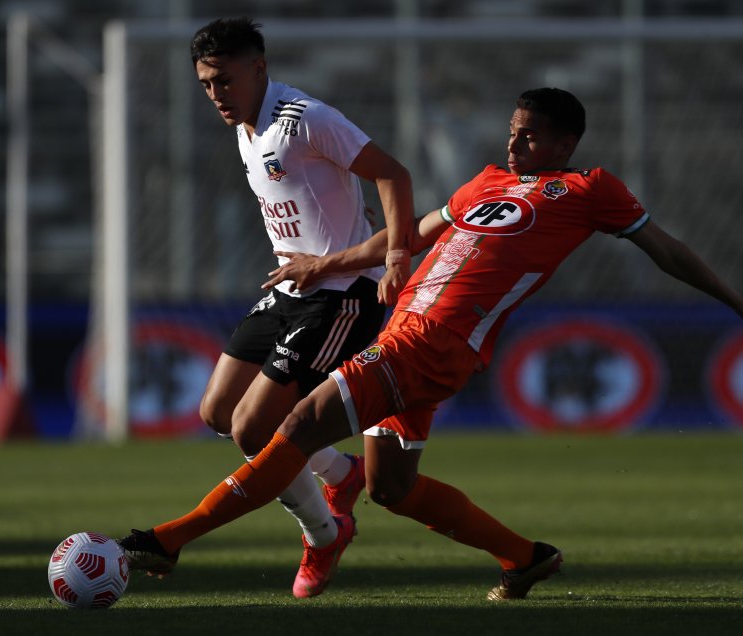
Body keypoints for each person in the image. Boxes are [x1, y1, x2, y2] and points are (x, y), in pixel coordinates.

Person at [120, 87, 743, 600]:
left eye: (528, 134)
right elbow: (411, 233)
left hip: (434, 342)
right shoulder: (487, 181)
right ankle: (524, 558)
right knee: (391, 487)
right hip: (404, 331)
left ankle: (170, 540)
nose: (513, 142)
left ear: (565, 144)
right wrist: (326, 262)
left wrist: (734, 301)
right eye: (512, 129)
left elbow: (667, 250)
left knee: (301, 423)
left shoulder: (589, 190)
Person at [183, 18, 414, 598]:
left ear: (258, 68)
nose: (215, 94)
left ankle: (323, 534)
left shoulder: (305, 118)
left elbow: (393, 174)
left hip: (340, 296)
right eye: (206, 83)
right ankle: (340, 473)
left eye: (224, 80)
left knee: (252, 429)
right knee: (216, 412)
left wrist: (393, 260)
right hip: (290, 290)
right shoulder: (245, 128)